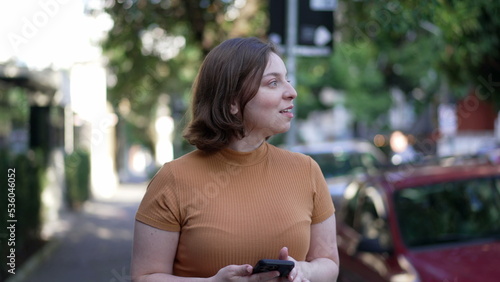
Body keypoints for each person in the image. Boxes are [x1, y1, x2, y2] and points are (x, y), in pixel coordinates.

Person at [131, 37, 339, 282]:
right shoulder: (173, 179)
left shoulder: (307, 171)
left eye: (287, 80)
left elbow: (328, 263)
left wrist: (304, 271)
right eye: (273, 82)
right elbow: (145, 277)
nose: (292, 92)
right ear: (231, 102)